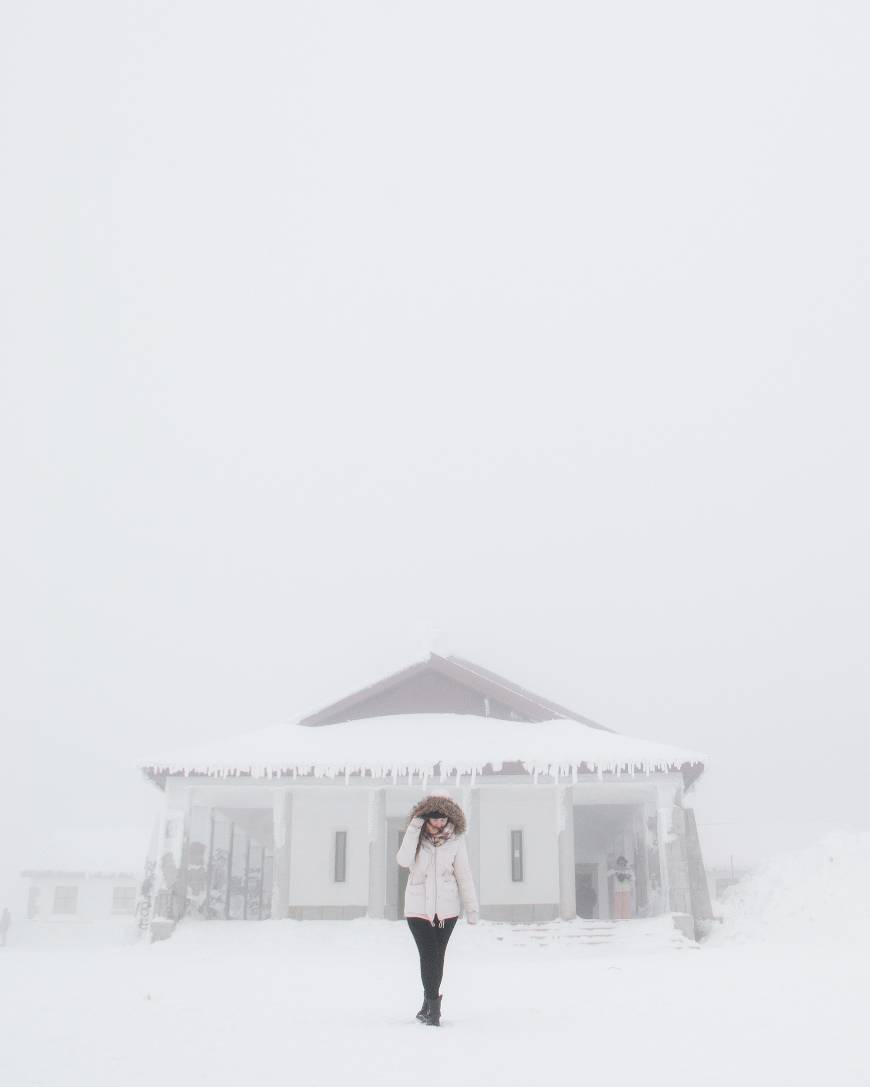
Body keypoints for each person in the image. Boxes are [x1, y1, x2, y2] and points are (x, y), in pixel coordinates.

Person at [396, 794, 479, 1026]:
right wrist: (413, 828)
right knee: (429, 954)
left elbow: (463, 874)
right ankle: (434, 1010)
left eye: (444, 819)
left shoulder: (456, 841)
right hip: (417, 909)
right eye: (435, 819)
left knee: (438, 957)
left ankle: (427, 1004)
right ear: (426, 819)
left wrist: (471, 907)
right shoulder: (416, 838)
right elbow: (403, 860)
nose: (440, 823)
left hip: (446, 911)